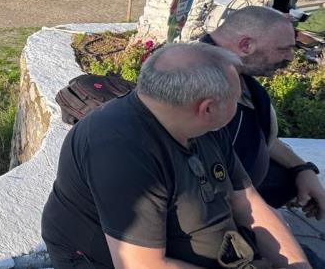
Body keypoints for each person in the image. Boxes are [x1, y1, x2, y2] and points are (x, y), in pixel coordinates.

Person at [42, 43, 312, 269]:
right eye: (236, 99)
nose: (239, 104)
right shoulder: (121, 151)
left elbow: (247, 202)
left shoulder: (198, 123)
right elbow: (142, 265)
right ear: (206, 107)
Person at [202, 7, 325, 218]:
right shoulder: (200, 83)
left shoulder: (235, 73)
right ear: (246, 45)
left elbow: (262, 136)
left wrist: (301, 169)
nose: (290, 58)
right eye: (283, 49)